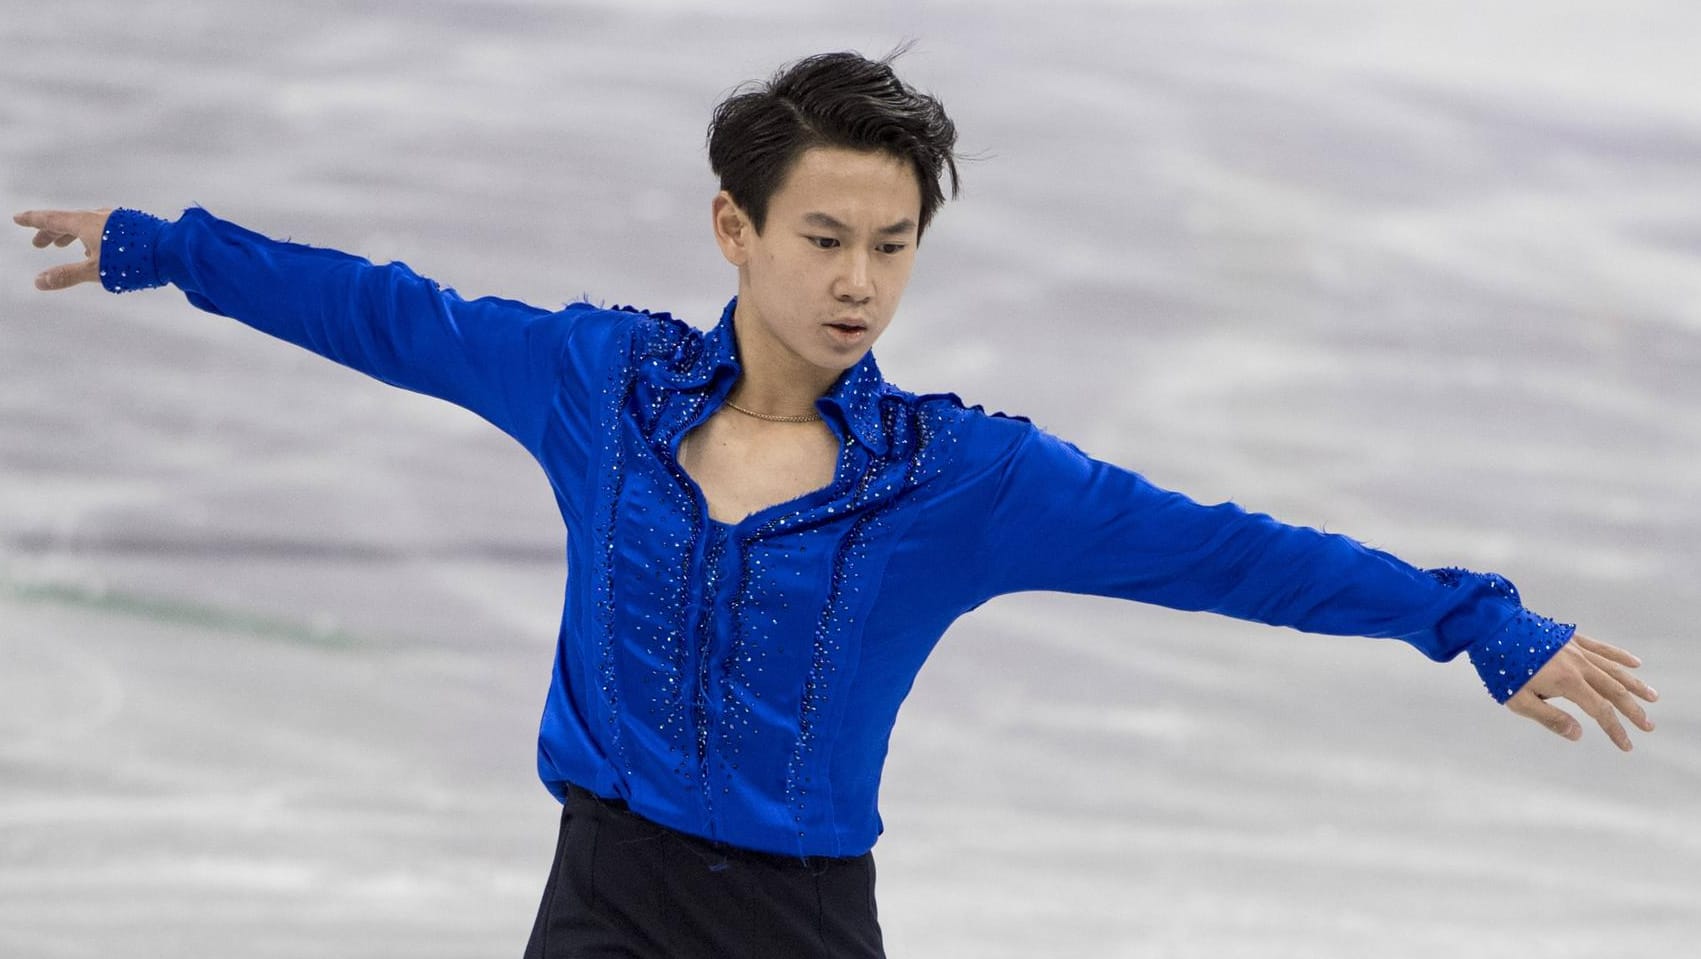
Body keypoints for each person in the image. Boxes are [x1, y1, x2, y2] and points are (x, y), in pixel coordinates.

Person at [14, 49, 1658, 958]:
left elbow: (1222, 551)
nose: (861, 282)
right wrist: (174, 248)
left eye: (892, 245)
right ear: (734, 230)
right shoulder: (601, 388)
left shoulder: (963, 479)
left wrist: (1468, 620)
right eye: (824, 240)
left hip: (798, 928)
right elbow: (394, 312)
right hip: (599, 891)